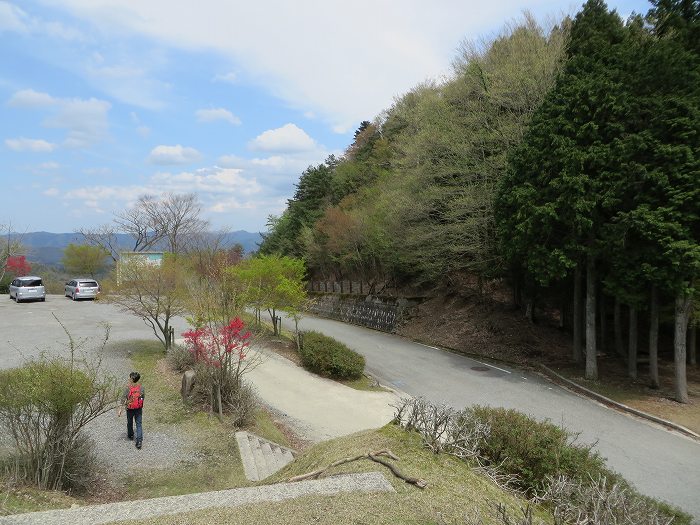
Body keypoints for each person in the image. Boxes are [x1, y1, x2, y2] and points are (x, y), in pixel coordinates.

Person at [117, 371, 145, 449]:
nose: (129, 379)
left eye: (130, 378)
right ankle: (139, 441)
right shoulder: (141, 388)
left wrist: (120, 409)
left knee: (130, 422)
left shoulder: (128, 388)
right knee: (139, 424)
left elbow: (123, 399)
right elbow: (143, 397)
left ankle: (131, 435)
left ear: (132, 379)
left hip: (130, 409)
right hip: (138, 409)